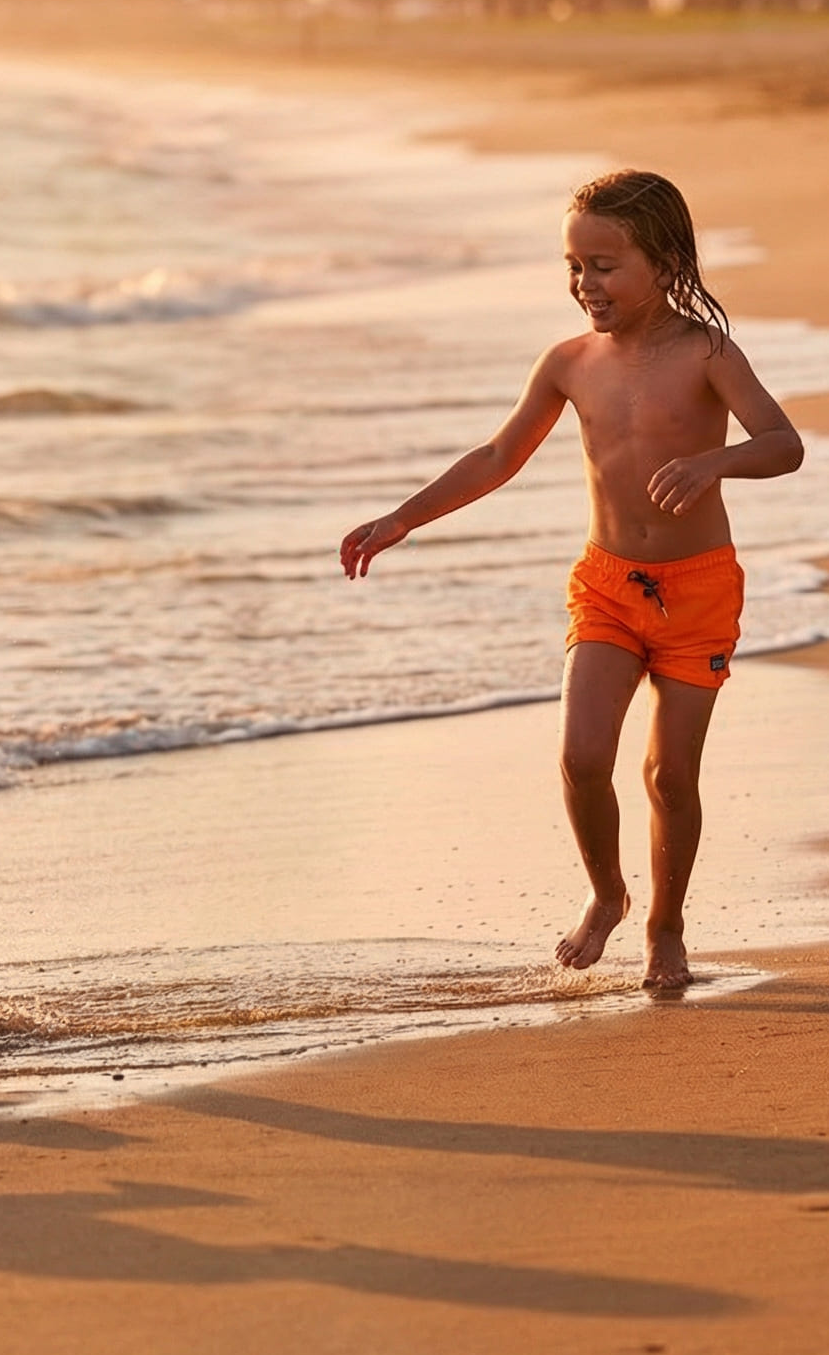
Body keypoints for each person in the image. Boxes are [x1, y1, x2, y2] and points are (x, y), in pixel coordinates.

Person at [340, 170, 804, 992]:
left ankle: (666, 925)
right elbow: (495, 458)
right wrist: (403, 517)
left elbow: (782, 442)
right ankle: (607, 895)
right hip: (607, 586)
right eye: (574, 265)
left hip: (697, 590)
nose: (584, 284)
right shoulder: (567, 363)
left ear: (664, 263)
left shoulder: (707, 352)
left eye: (604, 264)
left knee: (670, 777)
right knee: (583, 756)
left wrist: (715, 461)